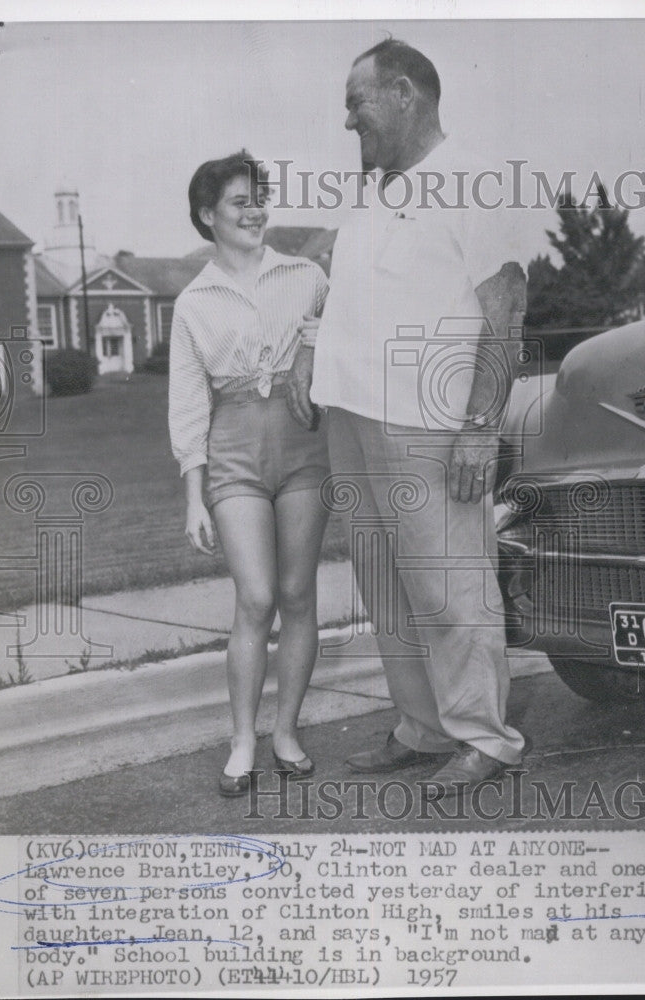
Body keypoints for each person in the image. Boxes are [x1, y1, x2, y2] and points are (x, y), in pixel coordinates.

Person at [287, 39, 530, 800]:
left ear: (403, 93)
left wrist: (481, 426)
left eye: (357, 101)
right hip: (352, 417)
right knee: (388, 587)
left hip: (428, 419)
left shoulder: (474, 183)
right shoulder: (373, 193)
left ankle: (485, 737)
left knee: (449, 581)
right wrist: (307, 351)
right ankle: (424, 729)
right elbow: (338, 290)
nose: (348, 118)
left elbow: (507, 312)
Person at [169, 151, 330, 797]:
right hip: (234, 451)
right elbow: (188, 403)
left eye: (259, 197)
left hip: (304, 447)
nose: (255, 209)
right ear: (209, 215)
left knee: (298, 596)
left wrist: (314, 344)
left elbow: (337, 331)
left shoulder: (306, 274)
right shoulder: (194, 300)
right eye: (240, 200)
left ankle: (286, 731)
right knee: (256, 598)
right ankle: (242, 741)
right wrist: (194, 496)